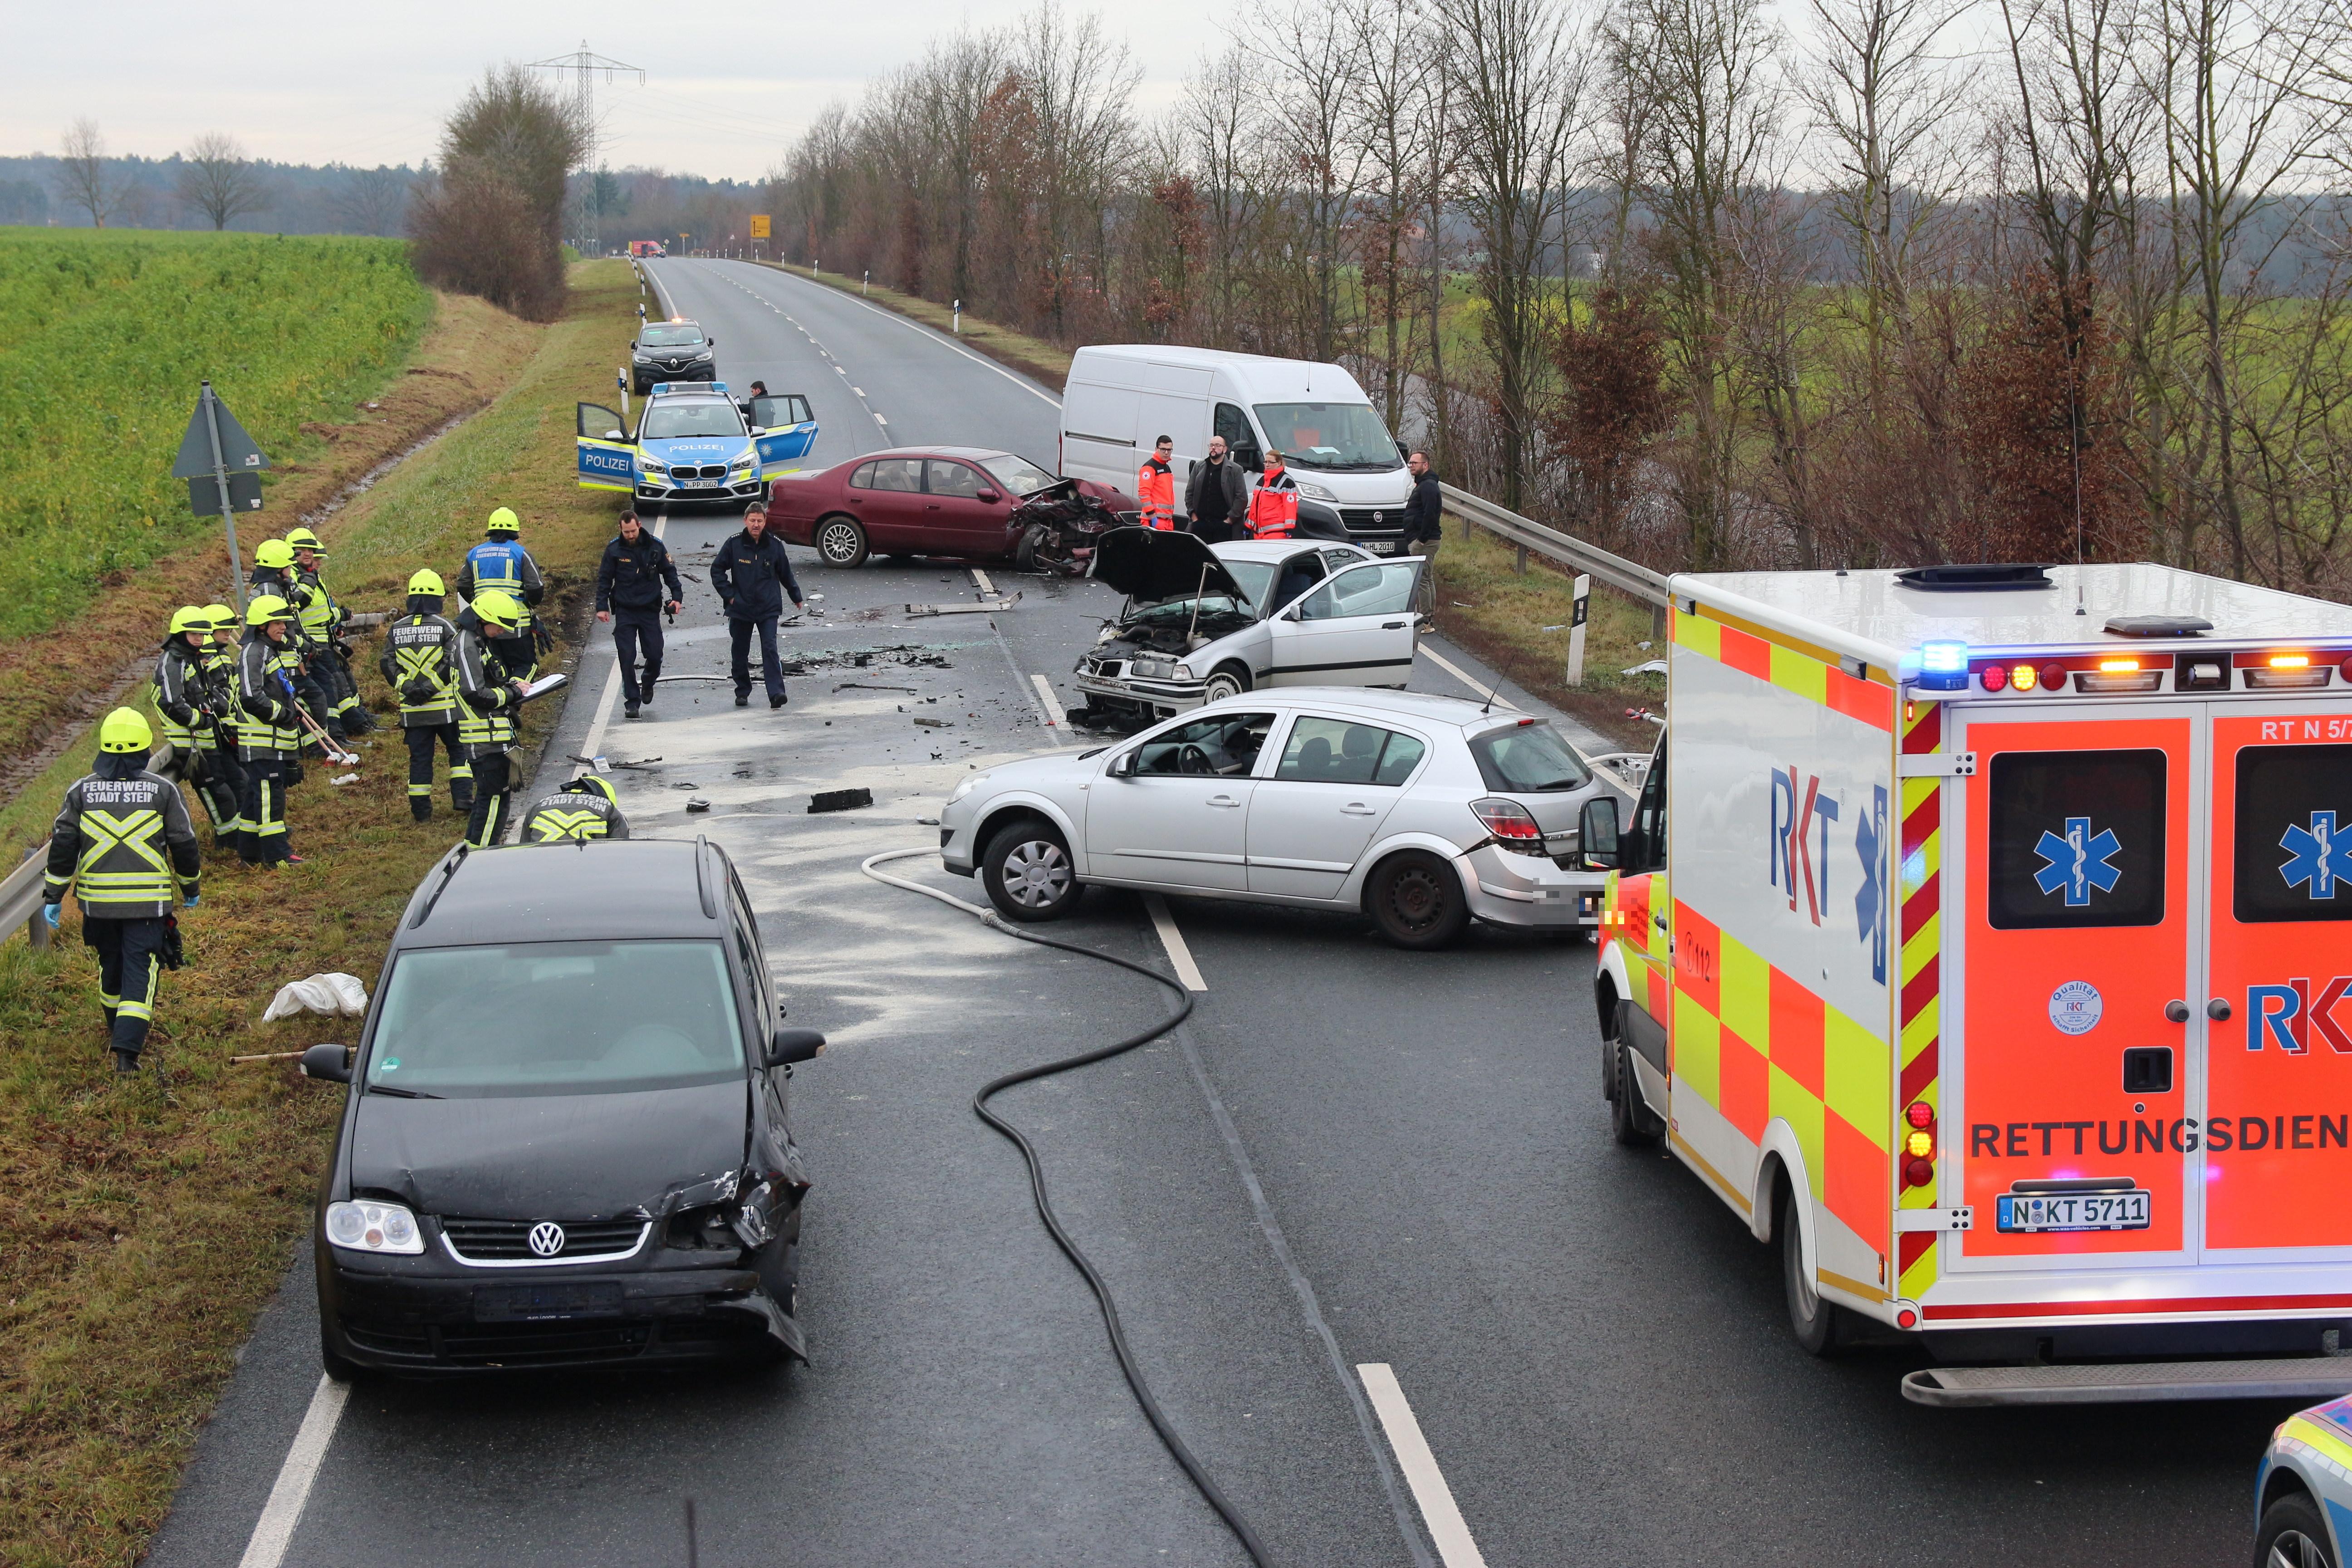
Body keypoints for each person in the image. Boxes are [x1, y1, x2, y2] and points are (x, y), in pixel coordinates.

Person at [43, 708, 202, 1075]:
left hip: (98, 907)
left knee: (110, 965)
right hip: (147, 906)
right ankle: (127, 1055)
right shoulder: (164, 790)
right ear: (145, 747)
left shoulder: (80, 791)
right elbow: (183, 843)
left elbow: (63, 848)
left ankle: (115, 1028)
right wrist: (190, 887)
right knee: (140, 971)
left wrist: (53, 896)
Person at [380, 569, 473, 823]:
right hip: (446, 709)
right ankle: (463, 799)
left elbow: (388, 664)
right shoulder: (445, 626)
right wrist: (432, 688)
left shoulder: (396, 629)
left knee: (420, 760)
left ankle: (421, 812)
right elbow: (452, 660)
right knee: (458, 752)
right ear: (438, 599)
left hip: (414, 711)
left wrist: (409, 688)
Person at [455, 589, 537, 848]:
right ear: (484, 619)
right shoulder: (468, 645)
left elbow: (489, 684)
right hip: (485, 741)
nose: (501, 632)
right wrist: (512, 693)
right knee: (491, 802)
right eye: (499, 626)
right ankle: (482, 856)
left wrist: (511, 687)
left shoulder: (477, 642)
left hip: (494, 737)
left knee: (493, 800)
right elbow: (474, 693)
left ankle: (475, 852)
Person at [152, 606, 240, 845]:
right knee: (216, 792)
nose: (199, 639)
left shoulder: (192, 659)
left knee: (234, 785)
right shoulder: (172, 662)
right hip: (191, 744)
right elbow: (171, 703)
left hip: (207, 739)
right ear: (180, 635)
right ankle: (229, 840)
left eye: (202, 635)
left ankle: (241, 837)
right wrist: (200, 720)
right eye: (194, 635)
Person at [234, 595, 308, 866]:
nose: (283, 627)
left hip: (272, 743)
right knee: (270, 799)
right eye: (277, 623)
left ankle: (249, 854)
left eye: (284, 622)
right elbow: (251, 697)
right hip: (263, 743)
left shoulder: (266, 651)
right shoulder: (254, 653)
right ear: (262, 626)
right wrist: (284, 714)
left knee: (256, 798)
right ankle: (277, 855)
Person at [249, 539, 342, 745]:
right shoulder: (270, 592)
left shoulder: (275, 587)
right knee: (315, 698)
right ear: (278, 568)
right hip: (283, 658)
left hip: (290, 655)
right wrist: (304, 645)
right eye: (288, 566)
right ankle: (319, 746)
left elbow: (292, 622)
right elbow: (279, 629)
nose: (291, 570)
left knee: (314, 697)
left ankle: (322, 744)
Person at [710, 505, 803, 710]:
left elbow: (786, 573)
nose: (756, 525)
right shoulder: (734, 544)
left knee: (770, 648)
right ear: (745, 521)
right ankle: (742, 690)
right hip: (741, 607)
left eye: (760, 521)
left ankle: (776, 693)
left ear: (765, 522)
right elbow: (717, 570)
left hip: (768, 608)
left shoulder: (775, 545)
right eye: (752, 521)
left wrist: (796, 596)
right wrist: (730, 596)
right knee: (740, 651)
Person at [596, 510, 684, 720]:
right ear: (621, 529)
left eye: (633, 531)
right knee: (626, 656)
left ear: (640, 526)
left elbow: (670, 572)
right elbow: (605, 579)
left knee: (654, 654)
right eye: (626, 532)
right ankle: (632, 702)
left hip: (649, 609)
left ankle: (648, 681)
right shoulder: (614, 549)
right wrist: (602, 607)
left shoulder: (655, 546)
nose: (630, 535)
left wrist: (677, 597)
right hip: (625, 610)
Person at [287, 526, 372, 735]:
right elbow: (302, 607)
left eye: (311, 550)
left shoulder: (310, 575)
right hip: (311, 642)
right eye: (302, 550)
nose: (309, 555)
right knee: (333, 684)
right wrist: (339, 616)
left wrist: (336, 623)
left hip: (323, 638)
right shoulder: (296, 578)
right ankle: (346, 728)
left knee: (339, 680)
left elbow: (324, 610)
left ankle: (353, 723)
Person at [456, 507, 549, 653]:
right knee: (523, 664)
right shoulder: (521, 554)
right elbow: (535, 588)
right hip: (517, 628)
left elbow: (463, 586)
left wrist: (478, 605)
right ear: (515, 530)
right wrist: (530, 606)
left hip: (486, 627)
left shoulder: (474, 554)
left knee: (490, 665)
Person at [196, 605, 250, 846]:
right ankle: (230, 839)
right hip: (211, 736)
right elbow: (215, 699)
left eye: (231, 628)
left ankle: (245, 833)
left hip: (226, 731)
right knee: (230, 787)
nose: (229, 632)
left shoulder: (222, 653)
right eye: (224, 629)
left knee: (242, 781)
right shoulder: (205, 659)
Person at [518, 773, 632, 843]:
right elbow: (620, 855)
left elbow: (523, 851)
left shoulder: (537, 808)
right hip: (585, 869)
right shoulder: (609, 810)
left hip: (543, 868)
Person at [1186, 434, 1247, 543]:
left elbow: (1241, 498)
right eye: (1211, 445)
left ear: (1225, 449)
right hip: (1201, 525)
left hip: (1224, 527)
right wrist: (1194, 518)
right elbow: (1189, 494)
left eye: (1218, 445)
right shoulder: (1199, 467)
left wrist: (1229, 520)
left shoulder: (1235, 470)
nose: (1214, 448)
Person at [1245, 451, 1299, 540]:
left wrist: (1289, 527)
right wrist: (1248, 525)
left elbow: (1290, 507)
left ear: (1279, 463)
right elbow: (1255, 506)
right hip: (1259, 533)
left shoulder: (1286, 481)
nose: (1267, 465)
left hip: (1277, 533)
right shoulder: (1262, 481)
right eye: (1265, 462)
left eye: (1271, 462)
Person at [1400, 450, 1441, 565]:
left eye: (1415, 463)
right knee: (1423, 575)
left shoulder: (1428, 486)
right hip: (1420, 539)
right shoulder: (1422, 484)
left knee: (1422, 575)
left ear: (1425, 465)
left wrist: (1422, 540)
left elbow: (1430, 513)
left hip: (1426, 541)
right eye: (1410, 463)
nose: (1411, 466)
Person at [1136, 435, 1176, 530]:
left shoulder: (1166, 468)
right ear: (1156, 449)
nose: (1166, 453)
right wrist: (1152, 516)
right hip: (1154, 520)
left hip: (1166, 520)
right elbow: (1144, 494)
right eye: (1163, 449)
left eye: (1169, 450)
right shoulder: (1149, 468)